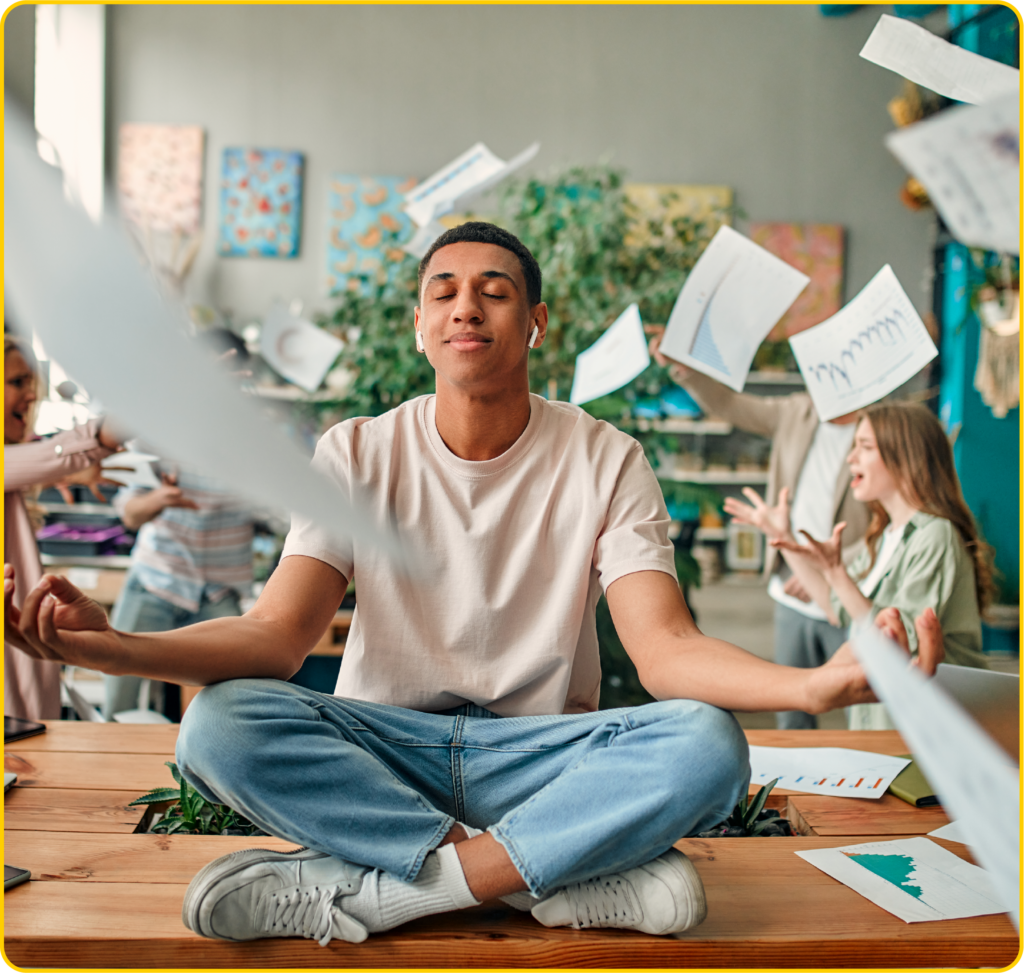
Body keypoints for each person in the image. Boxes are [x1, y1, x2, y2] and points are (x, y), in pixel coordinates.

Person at [5, 224, 913, 947]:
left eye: (495, 290)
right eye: (442, 291)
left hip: (539, 755)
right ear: (420, 326)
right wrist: (113, 646)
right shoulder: (356, 451)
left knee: (707, 741)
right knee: (218, 722)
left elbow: (665, 650)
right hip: (386, 750)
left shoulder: (606, 458)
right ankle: (538, 879)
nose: (465, 305)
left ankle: (391, 891)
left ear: (536, 323)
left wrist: (813, 685)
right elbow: (276, 638)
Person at [648, 334, 869, 730]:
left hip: (852, 591)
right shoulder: (797, 411)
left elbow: (886, 521)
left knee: (864, 711)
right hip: (790, 590)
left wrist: (831, 570)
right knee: (793, 711)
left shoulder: (876, 430)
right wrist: (683, 367)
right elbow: (730, 405)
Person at [727, 401, 990, 726]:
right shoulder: (883, 537)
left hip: (929, 726)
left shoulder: (934, 535)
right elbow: (834, 606)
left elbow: (900, 641)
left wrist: (836, 574)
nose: (850, 458)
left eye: (864, 447)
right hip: (881, 723)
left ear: (903, 456)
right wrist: (782, 536)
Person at [103, 329, 256, 720]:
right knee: (118, 705)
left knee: (230, 713)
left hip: (219, 593)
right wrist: (160, 499)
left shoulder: (257, 441)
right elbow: (130, 514)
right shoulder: (158, 431)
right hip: (156, 581)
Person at [3, 333, 121, 720]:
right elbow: (75, 447)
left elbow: (46, 454)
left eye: (31, 382)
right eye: (16, 382)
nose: (31, 395)